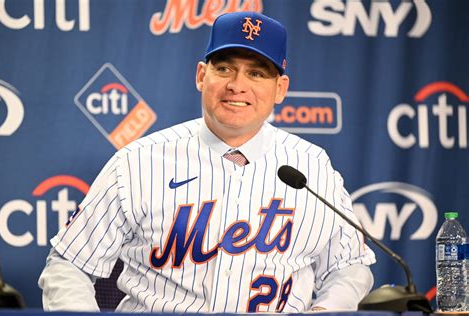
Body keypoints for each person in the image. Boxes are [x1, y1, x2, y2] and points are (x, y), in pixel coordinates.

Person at [38, 11, 375, 313]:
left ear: (280, 88)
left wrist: (328, 309)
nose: (237, 86)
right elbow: (69, 266)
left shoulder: (312, 166)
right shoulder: (137, 162)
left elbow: (350, 266)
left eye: (257, 73)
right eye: (225, 68)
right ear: (202, 75)